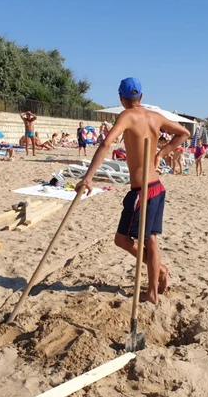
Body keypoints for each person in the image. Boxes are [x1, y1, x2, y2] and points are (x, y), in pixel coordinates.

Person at [76, 77, 190, 304]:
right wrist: (161, 153)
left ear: (121, 98)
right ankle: (155, 285)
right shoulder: (155, 117)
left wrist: (88, 177)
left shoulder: (127, 116)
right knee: (152, 241)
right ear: (142, 97)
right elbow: (184, 133)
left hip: (142, 191)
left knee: (122, 240)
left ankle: (158, 275)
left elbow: (106, 143)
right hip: (157, 187)